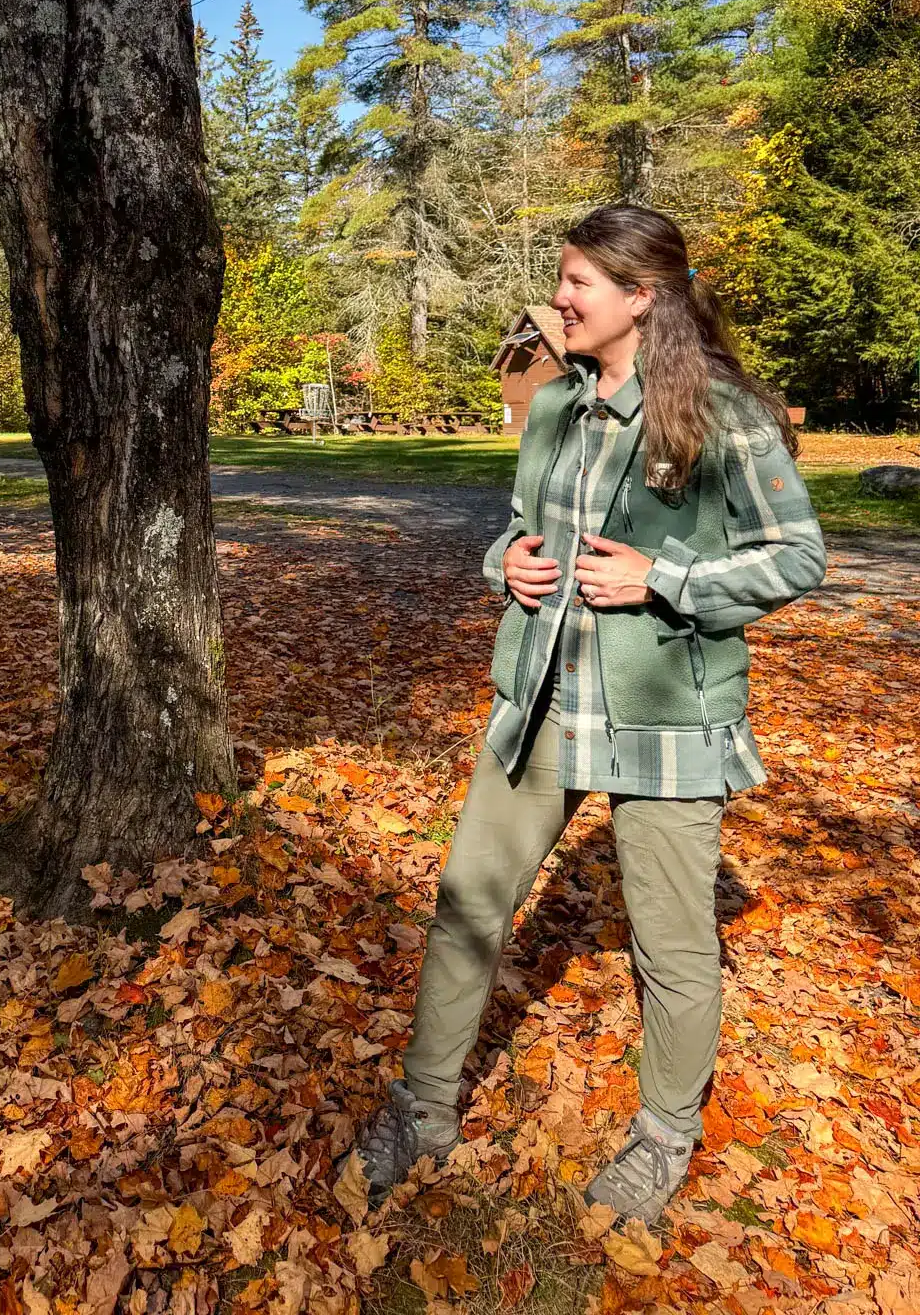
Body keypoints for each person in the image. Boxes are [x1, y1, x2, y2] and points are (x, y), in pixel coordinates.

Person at [354, 204, 826, 1223]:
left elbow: (798, 556)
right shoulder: (559, 407)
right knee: (468, 902)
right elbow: (525, 531)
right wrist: (504, 561)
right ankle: (425, 1104)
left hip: (664, 714)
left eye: (578, 283)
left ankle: (663, 1137)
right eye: (563, 279)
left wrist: (668, 574)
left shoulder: (724, 413)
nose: (559, 298)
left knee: (672, 946)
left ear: (641, 299)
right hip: (542, 698)